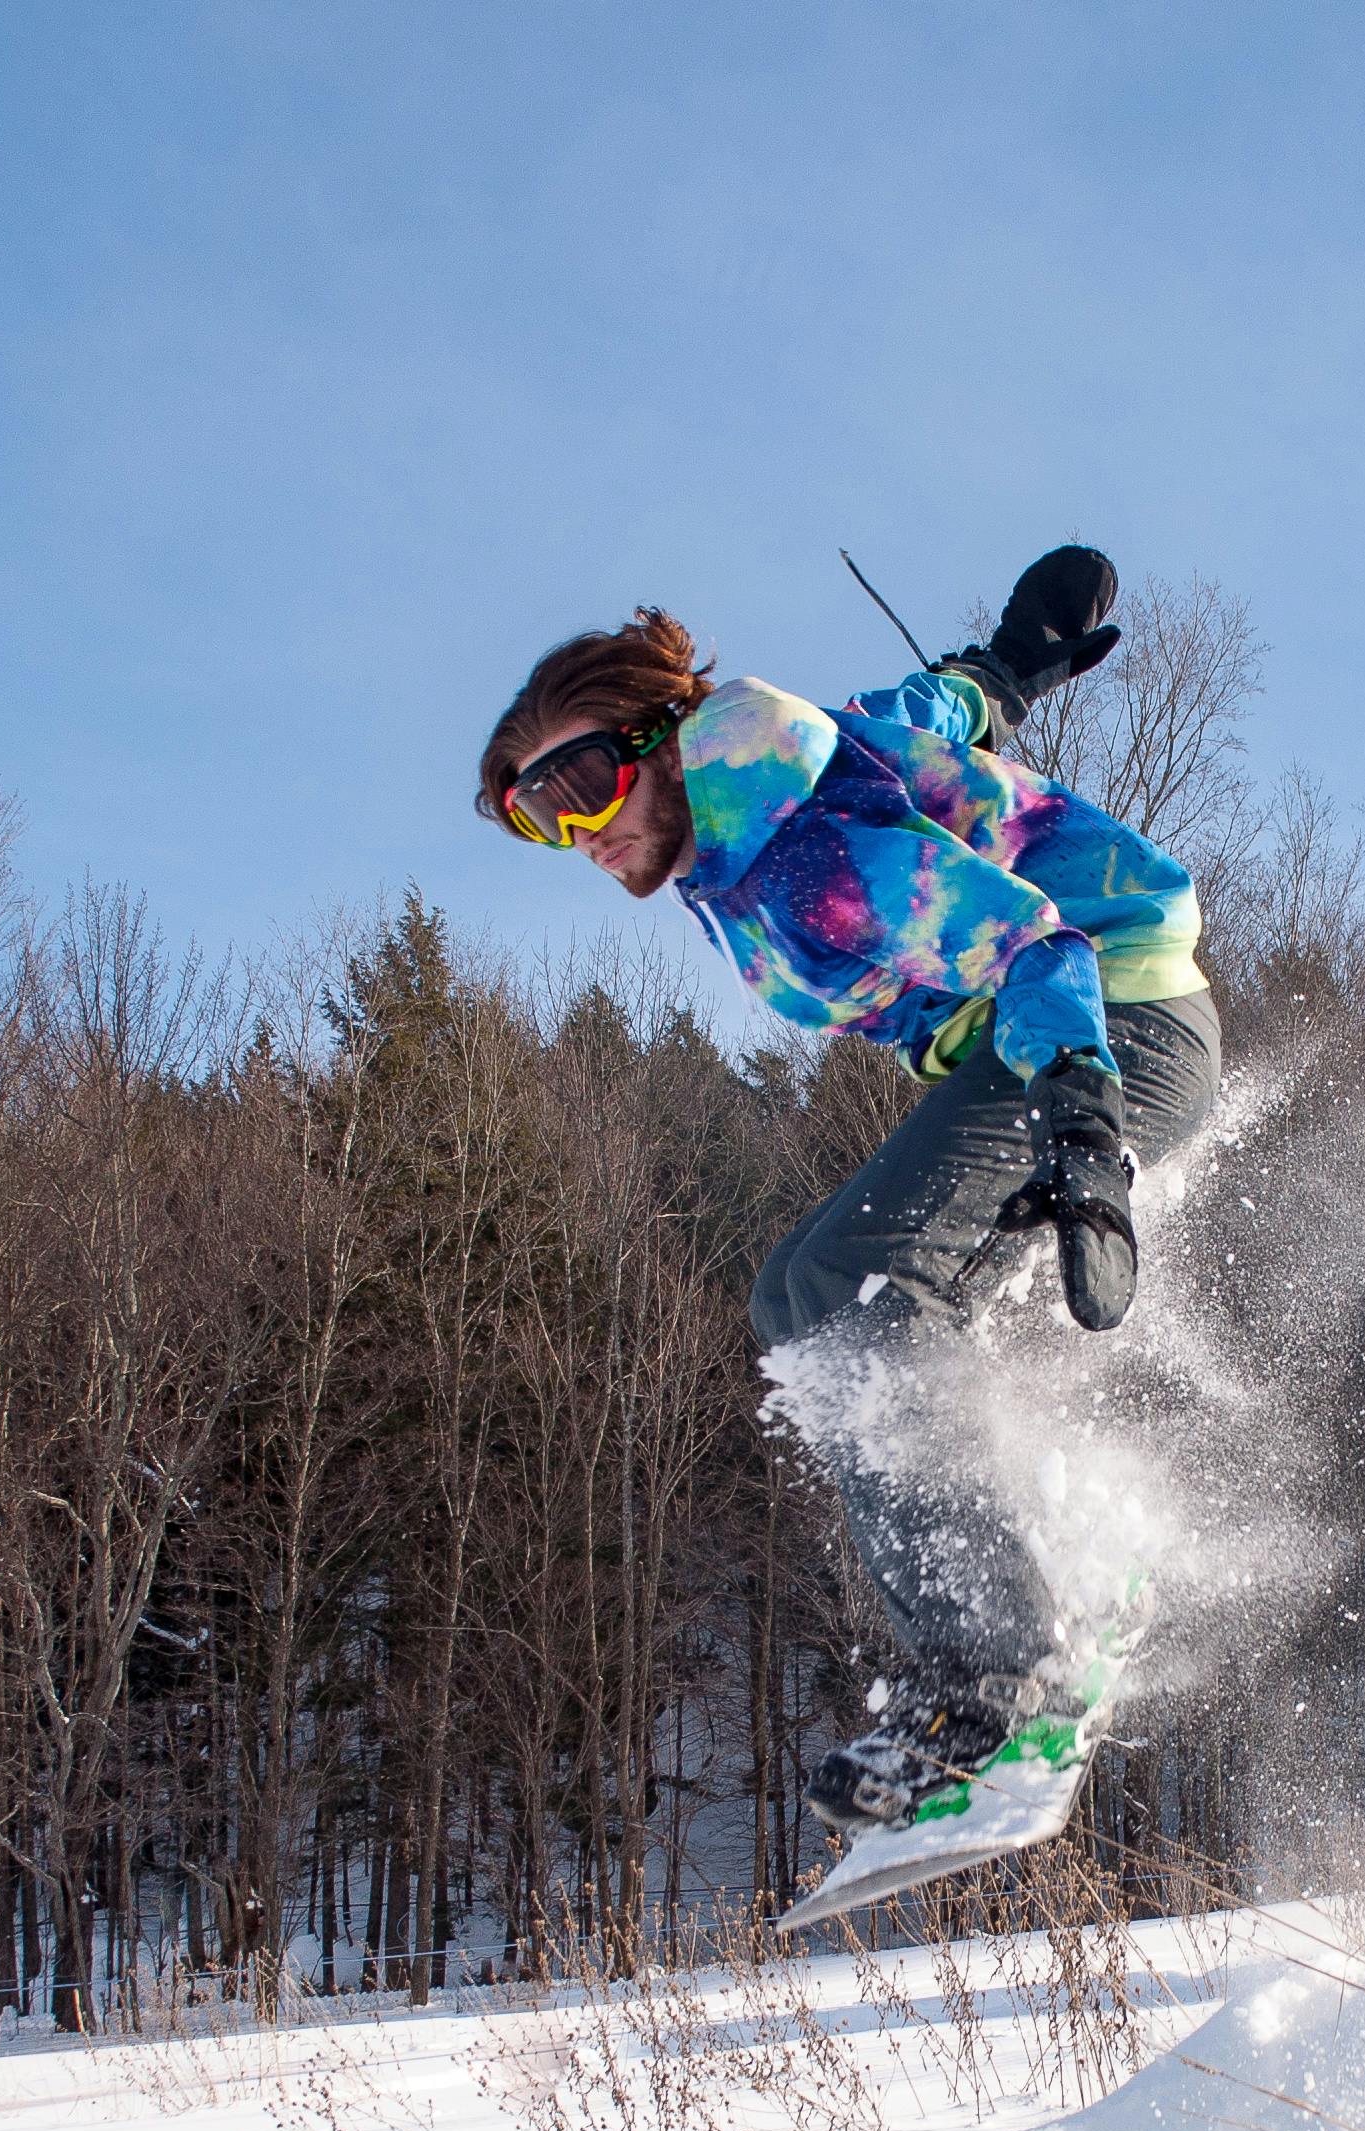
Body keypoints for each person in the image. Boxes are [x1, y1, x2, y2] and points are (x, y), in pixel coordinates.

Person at [475, 548, 1221, 1833]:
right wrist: (1006, 665)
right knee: (798, 1299)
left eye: (584, 784)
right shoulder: (773, 778)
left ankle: (995, 1678)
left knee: (846, 1291)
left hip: (1101, 1029)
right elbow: (912, 717)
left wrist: (1083, 1133)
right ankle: (1042, 1608)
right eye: (540, 818)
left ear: (661, 738)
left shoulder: (800, 853)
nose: (581, 836)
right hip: (1056, 1041)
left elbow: (1032, 940)